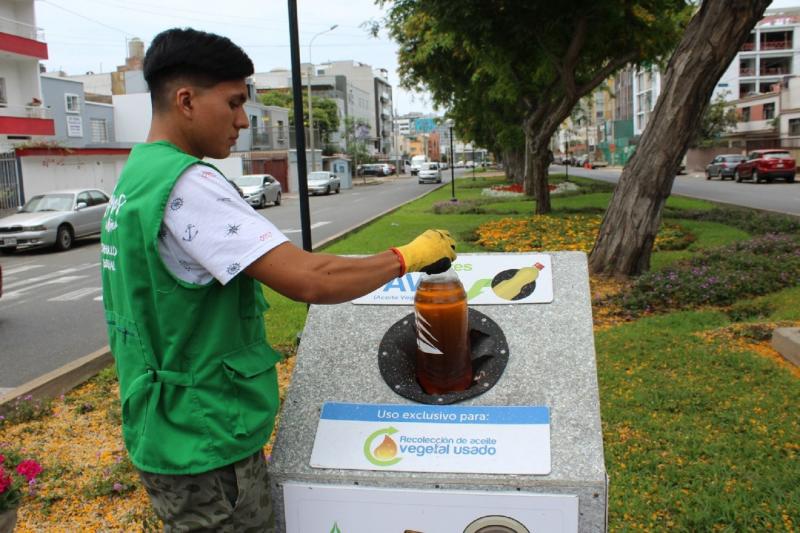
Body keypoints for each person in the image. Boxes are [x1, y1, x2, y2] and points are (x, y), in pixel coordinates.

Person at [100, 27, 456, 532]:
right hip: (205, 437)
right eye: (233, 103)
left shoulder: (137, 177)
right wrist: (409, 255)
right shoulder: (189, 184)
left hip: (163, 426)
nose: (243, 121)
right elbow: (312, 278)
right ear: (185, 100)